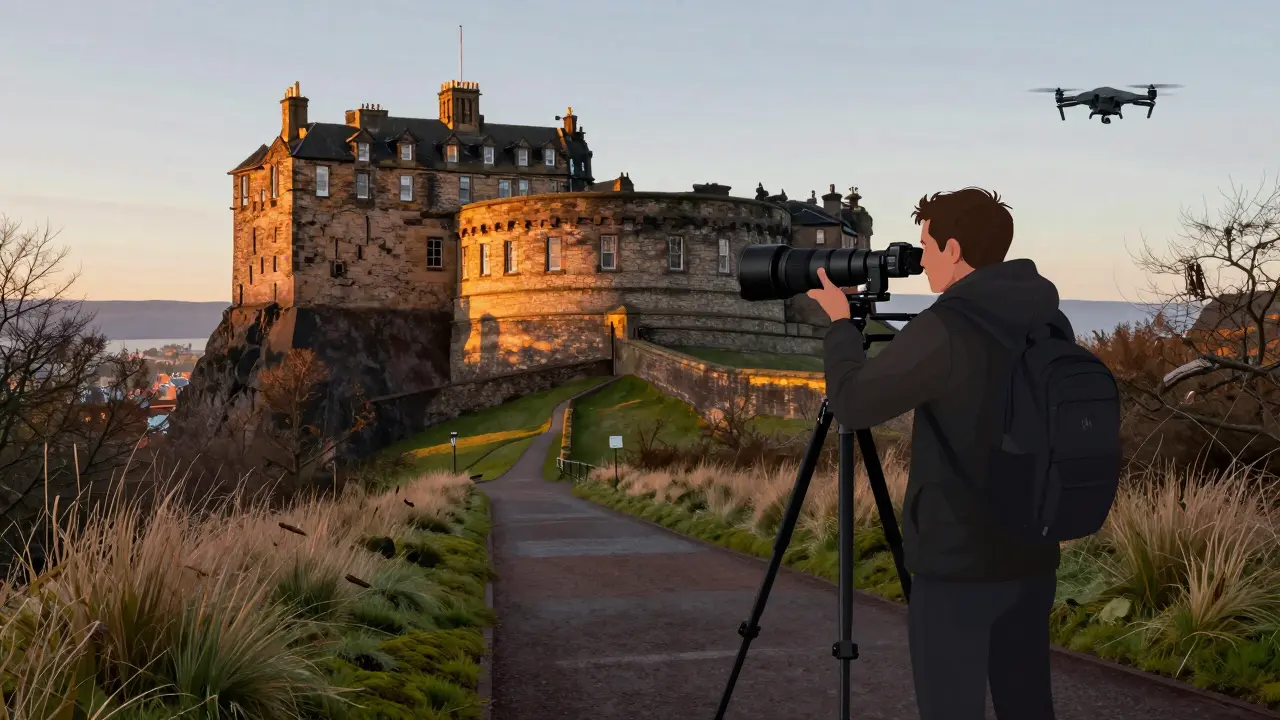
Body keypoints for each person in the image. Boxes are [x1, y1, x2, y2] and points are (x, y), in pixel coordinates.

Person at [806, 187, 1064, 720]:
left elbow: (853, 405)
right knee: (1028, 707)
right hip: (1034, 553)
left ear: (953, 248)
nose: (921, 261)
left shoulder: (947, 326)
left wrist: (838, 324)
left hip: (959, 565)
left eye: (926, 247)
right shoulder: (1046, 320)